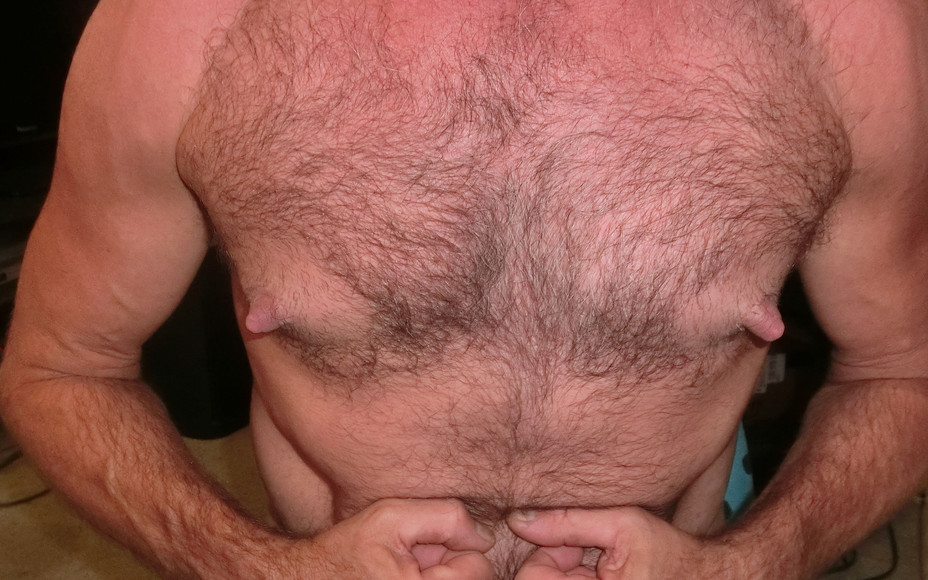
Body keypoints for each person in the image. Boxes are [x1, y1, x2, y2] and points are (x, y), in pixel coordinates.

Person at [1, 0, 927, 578]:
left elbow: (901, 370)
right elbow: (59, 370)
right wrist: (255, 567)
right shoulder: (188, 26)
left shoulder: (838, 28)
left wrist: (755, 564)